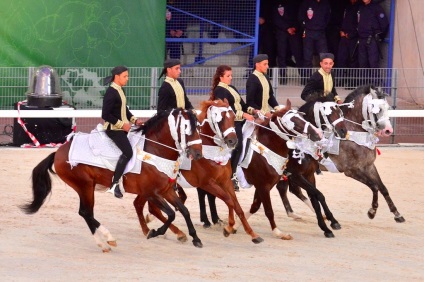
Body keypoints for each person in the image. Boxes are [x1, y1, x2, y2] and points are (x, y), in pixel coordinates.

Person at [211, 65, 258, 191]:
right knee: (237, 147)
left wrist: (252, 110)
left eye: (231, 75)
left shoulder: (231, 88)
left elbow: (242, 105)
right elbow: (225, 109)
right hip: (230, 124)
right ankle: (231, 176)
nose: (230, 78)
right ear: (221, 77)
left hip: (240, 121)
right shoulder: (219, 91)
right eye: (228, 76)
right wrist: (243, 115)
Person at [102, 66, 143, 198]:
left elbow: (124, 110)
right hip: (113, 129)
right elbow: (105, 114)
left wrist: (135, 120)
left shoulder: (120, 90)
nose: (127, 78)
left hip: (122, 128)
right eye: (125, 76)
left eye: (127, 76)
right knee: (128, 152)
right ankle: (114, 184)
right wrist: (121, 125)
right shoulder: (111, 92)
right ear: (117, 76)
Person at [271, 0, 304, 85]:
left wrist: (294, 28)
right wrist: (286, 28)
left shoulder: (295, 3)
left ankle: (303, 77)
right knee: (281, 55)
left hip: (294, 33)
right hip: (281, 33)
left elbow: (299, 17)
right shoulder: (276, 4)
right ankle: (283, 77)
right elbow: (275, 19)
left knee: (298, 55)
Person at [357, 0, 389, 86]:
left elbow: (384, 24)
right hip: (362, 39)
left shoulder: (377, 8)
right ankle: (364, 86)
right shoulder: (361, 8)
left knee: (373, 63)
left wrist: (379, 37)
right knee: (362, 63)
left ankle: (375, 86)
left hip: (372, 40)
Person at [298, 0, 331, 73]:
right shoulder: (306, 2)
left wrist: (323, 26)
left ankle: (323, 78)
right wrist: (305, 27)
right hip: (309, 32)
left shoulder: (325, 3)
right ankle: (307, 79)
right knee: (307, 57)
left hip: (320, 32)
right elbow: (301, 16)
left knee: (324, 56)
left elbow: (328, 17)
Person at [246, 54, 281, 119]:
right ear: (257, 64)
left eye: (267, 64)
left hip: (266, 112)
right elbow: (250, 101)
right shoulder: (252, 79)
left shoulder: (266, 76)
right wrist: (262, 113)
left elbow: (270, 96)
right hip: (257, 114)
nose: (267, 66)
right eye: (264, 64)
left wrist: (277, 107)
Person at [337, 0, 360, 89]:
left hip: (354, 38)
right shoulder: (347, 6)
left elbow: (361, 24)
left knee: (353, 60)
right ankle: (341, 80)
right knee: (341, 58)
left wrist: (351, 34)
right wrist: (341, 30)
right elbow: (343, 20)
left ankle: (352, 82)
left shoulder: (360, 7)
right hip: (343, 37)